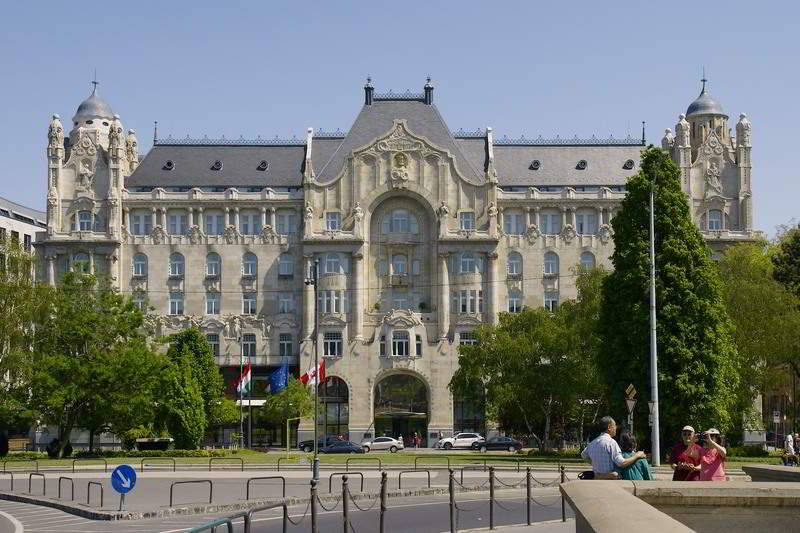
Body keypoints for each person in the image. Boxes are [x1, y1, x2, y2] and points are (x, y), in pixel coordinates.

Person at [580, 416, 645, 479]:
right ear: (609, 427)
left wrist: (594, 463)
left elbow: (583, 455)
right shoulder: (611, 443)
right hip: (610, 482)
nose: (616, 428)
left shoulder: (592, 443)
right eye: (615, 425)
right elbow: (622, 463)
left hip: (596, 479)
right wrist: (637, 456)